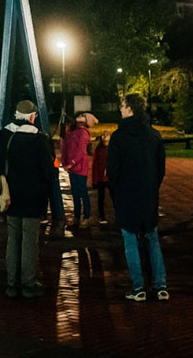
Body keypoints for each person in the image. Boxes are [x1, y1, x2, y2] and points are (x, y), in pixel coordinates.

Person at [0, 99, 54, 299]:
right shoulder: (39, 140)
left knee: (13, 239)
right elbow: (49, 173)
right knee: (29, 242)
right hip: (33, 198)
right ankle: (28, 283)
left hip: (10, 197)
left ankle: (11, 284)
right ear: (32, 116)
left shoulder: (4, 135)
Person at [108, 93, 168, 301]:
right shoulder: (153, 135)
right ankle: (160, 285)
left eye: (123, 106)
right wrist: (152, 186)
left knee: (130, 240)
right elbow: (161, 168)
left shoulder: (119, 136)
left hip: (126, 195)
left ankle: (138, 286)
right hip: (148, 195)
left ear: (131, 108)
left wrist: (115, 192)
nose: (120, 109)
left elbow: (113, 171)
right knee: (152, 238)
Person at [62, 112, 94, 228]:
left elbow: (81, 151)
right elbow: (65, 146)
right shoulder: (71, 132)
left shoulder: (83, 133)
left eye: (82, 116)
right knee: (75, 193)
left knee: (82, 192)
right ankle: (76, 217)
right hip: (72, 168)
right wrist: (65, 162)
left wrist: (71, 163)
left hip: (79, 168)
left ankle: (86, 217)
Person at [91, 132, 111, 224]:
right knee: (101, 198)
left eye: (107, 135)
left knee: (115, 197)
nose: (105, 137)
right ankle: (102, 216)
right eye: (103, 135)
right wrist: (95, 180)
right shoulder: (99, 149)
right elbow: (95, 165)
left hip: (110, 177)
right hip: (101, 178)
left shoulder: (112, 148)